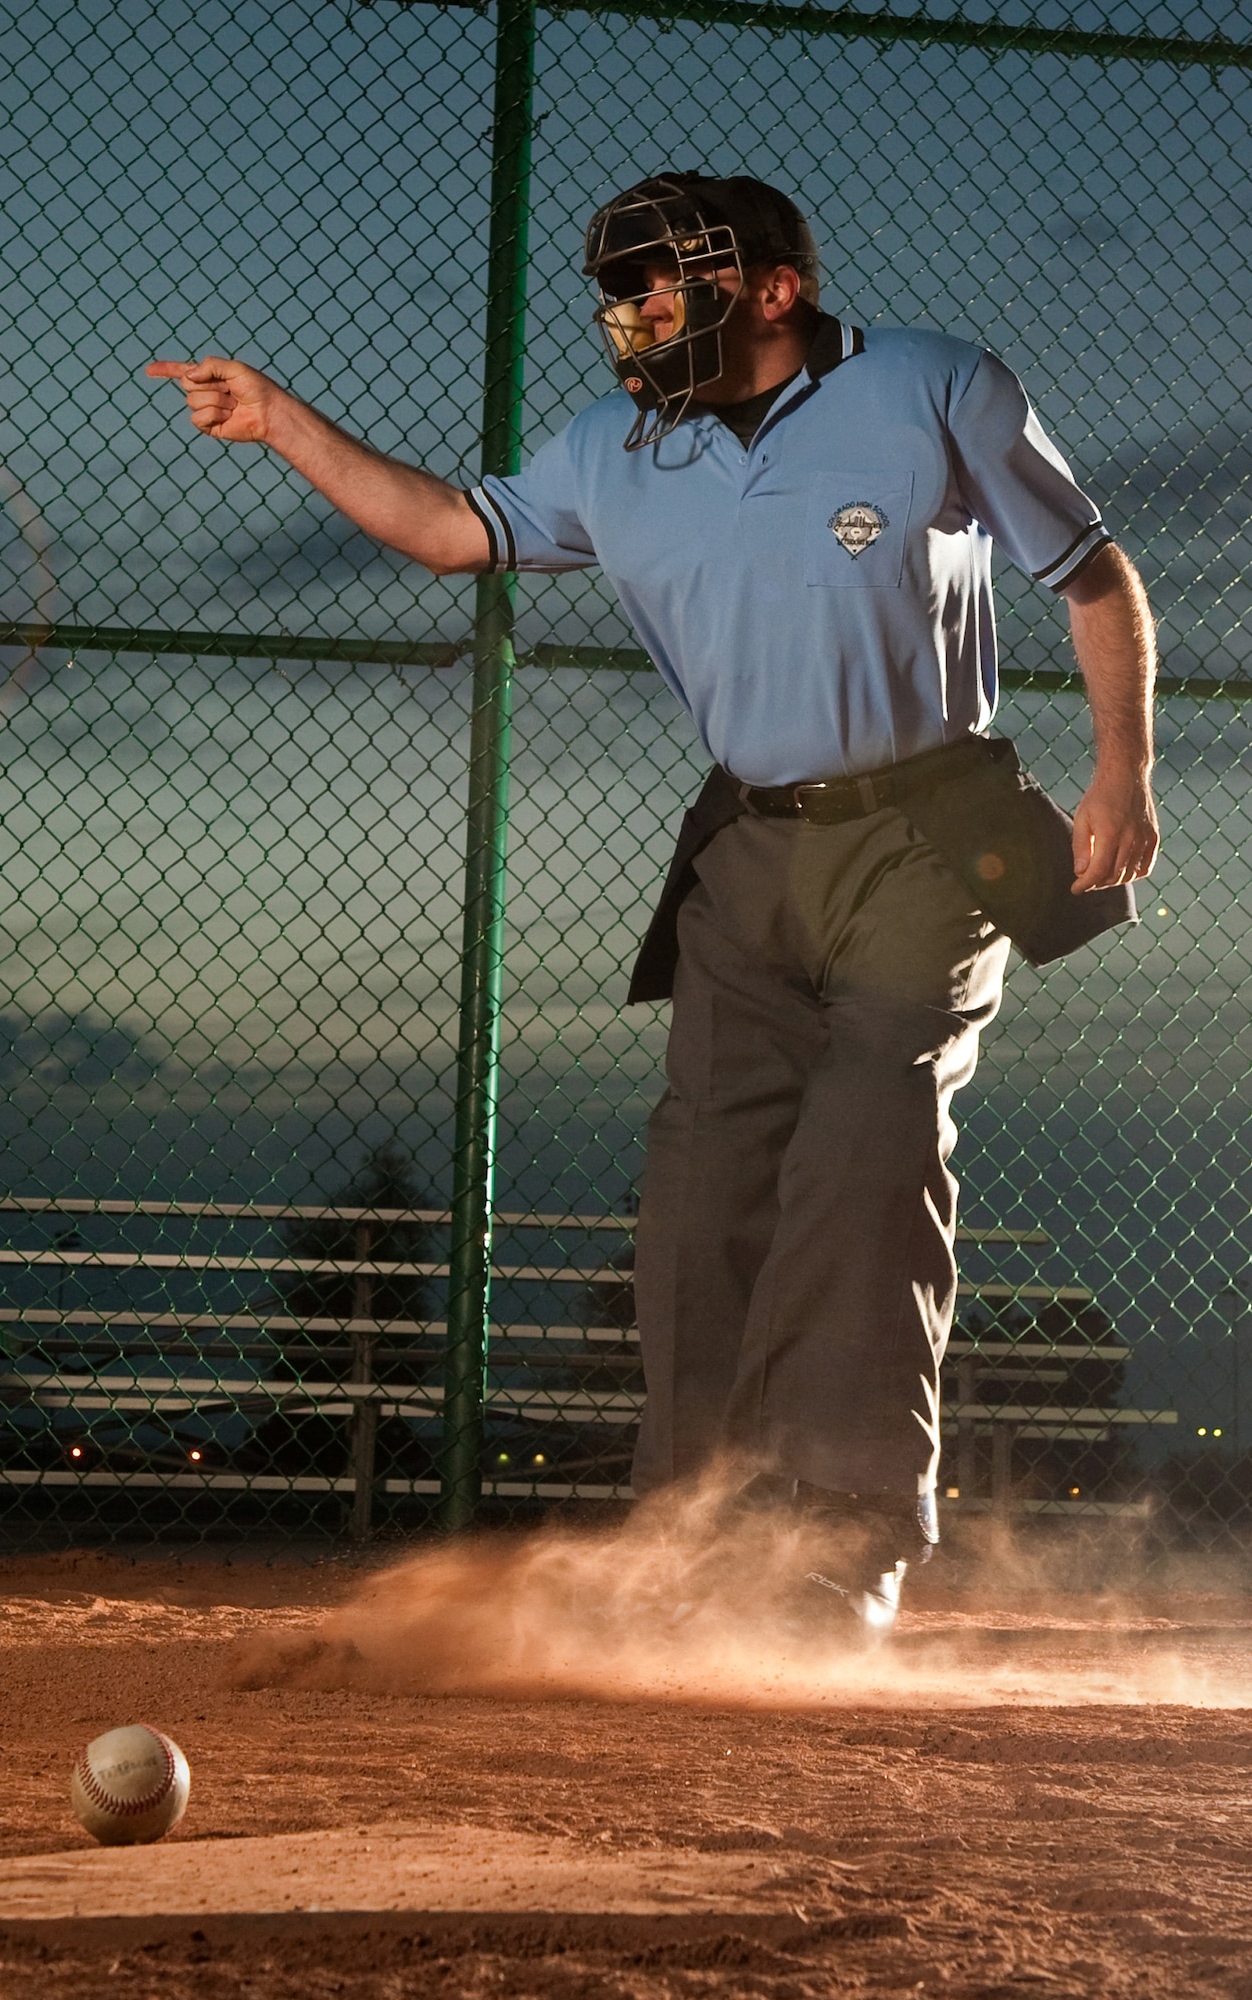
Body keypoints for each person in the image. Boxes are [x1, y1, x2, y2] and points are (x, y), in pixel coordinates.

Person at [148, 170, 1158, 1636]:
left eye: (663, 289)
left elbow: (1095, 574)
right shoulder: (615, 453)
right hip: (745, 850)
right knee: (698, 1202)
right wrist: (282, 420)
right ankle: (696, 1547)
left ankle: (843, 1552)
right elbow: (449, 530)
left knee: (865, 1159)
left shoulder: (938, 386)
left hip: (927, 837)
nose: (633, 319)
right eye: (622, 294)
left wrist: (1121, 764)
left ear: (771, 289)